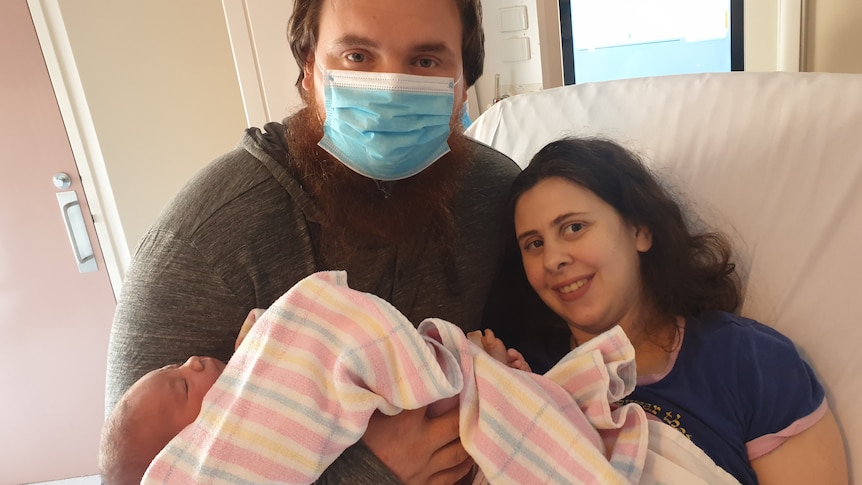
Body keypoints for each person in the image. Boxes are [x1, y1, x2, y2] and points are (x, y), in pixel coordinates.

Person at [105, 0, 528, 482]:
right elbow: (143, 470)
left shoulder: (500, 198)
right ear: (309, 68)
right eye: (358, 57)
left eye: (425, 62)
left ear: (463, 82)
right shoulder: (202, 244)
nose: (389, 89)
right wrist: (369, 472)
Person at [499, 136, 849, 485]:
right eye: (534, 243)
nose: (553, 258)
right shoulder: (522, 376)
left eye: (574, 227)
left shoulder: (752, 363)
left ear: (640, 231)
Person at [100, 300, 530, 485]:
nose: (192, 361)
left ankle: (492, 387)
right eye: (181, 385)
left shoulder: (248, 368)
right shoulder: (233, 455)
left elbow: (307, 340)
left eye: (173, 366)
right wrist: (371, 475)